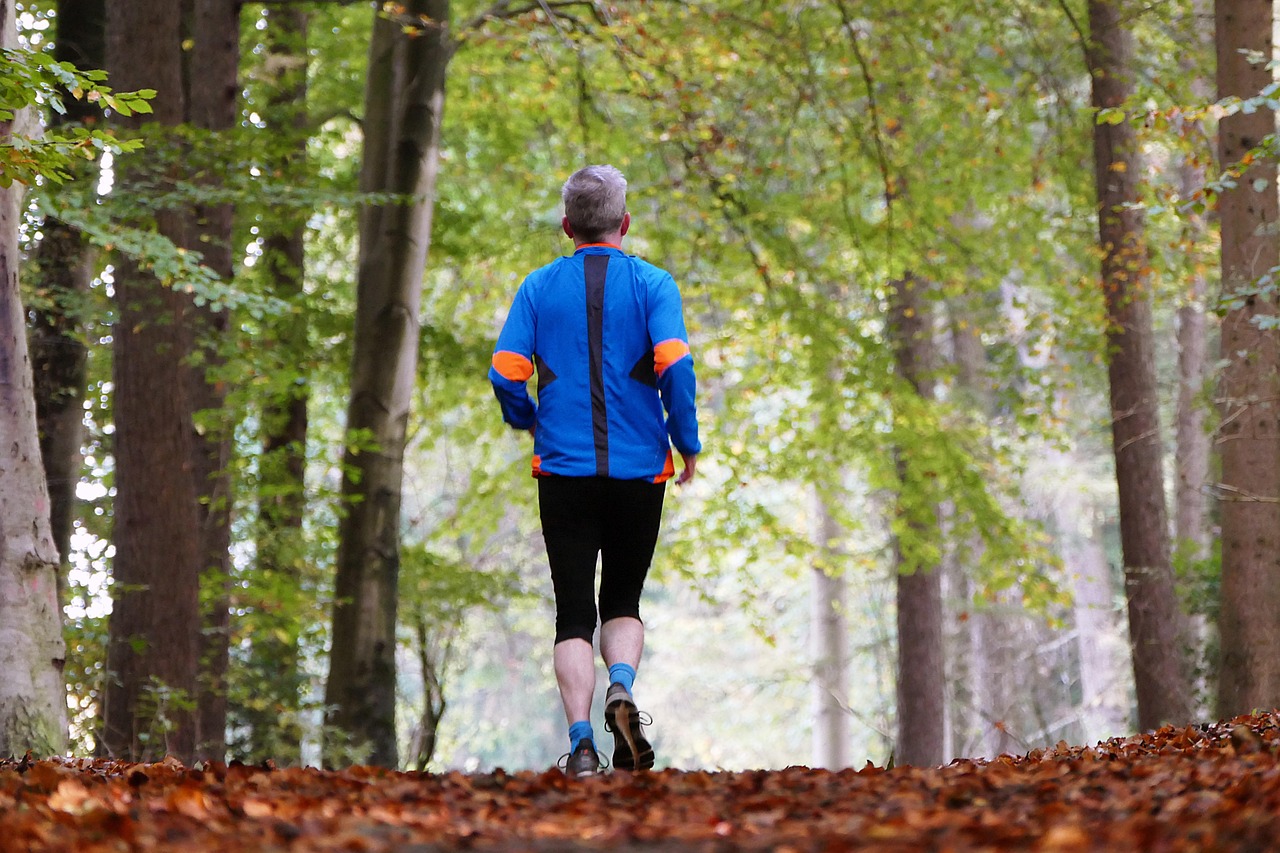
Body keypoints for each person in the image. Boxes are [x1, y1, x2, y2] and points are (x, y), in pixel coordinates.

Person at [488, 165, 701, 778]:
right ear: (624, 224)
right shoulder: (654, 284)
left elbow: (505, 370)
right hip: (640, 471)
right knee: (624, 600)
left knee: (573, 612)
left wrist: (527, 417)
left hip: (563, 470)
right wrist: (686, 442)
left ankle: (582, 744)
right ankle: (623, 689)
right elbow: (675, 367)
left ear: (566, 226)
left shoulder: (537, 287)